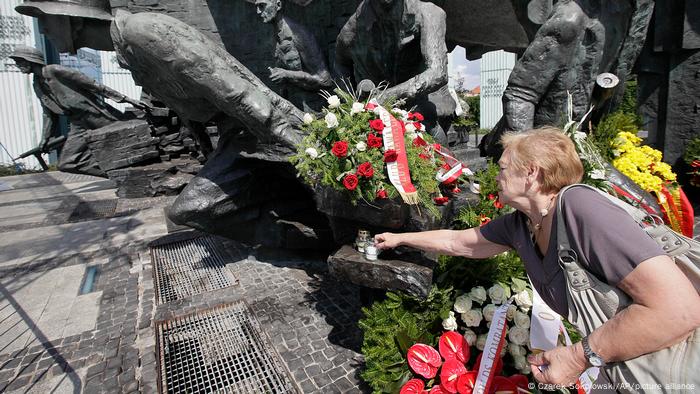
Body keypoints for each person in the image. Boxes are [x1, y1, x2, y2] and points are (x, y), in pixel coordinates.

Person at [375, 127, 700, 391]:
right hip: (626, 370)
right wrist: (400, 238)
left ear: (530, 173)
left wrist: (576, 356)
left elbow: (679, 309)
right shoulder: (524, 223)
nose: (495, 175)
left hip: (671, 368)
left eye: (502, 168)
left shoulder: (581, 210)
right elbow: (458, 241)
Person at [10, 45, 142, 176]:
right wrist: (45, 138)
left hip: (96, 115)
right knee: (67, 163)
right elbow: (48, 113)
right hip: (77, 123)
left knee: (128, 145)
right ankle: (119, 175)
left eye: (19, 61)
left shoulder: (54, 70)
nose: (18, 65)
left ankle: (135, 172)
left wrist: (124, 98)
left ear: (31, 60)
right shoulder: (37, 84)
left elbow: (92, 84)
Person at [335, 0, 455, 143]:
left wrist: (387, 97)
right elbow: (340, 60)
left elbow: (437, 73)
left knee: (434, 139)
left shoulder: (429, 13)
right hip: (376, 109)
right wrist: (350, 101)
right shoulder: (356, 23)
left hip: (421, 101)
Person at [254, 0, 333, 111]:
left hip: (315, 112)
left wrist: (287, 74)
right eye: (257, 7)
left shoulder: (299, 34)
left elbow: (325, 80)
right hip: (292, 108)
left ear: (278, 5)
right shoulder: (274, 36)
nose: (258, 12)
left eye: (262, 6)